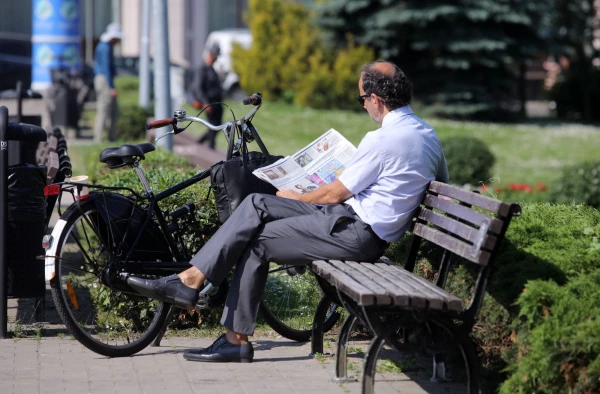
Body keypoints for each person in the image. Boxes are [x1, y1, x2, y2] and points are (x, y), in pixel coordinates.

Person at [128, 60, 449, 363]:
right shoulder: (426, 135)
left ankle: (229, 332)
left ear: (377, 99)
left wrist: (299, 194)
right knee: (255, 204)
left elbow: (336, 192)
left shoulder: (384, 139)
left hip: (355, 233)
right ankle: (192, 280)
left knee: (256, 242)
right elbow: (433, 180)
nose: (363, 105)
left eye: (362, 98)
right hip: (351, 223)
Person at [93, 23, 123, 143]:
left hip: (100, 79)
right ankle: (99, 138)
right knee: (104, 109)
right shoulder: (106, 47)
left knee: (109, 109)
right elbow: (107, 69)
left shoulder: (103, 45)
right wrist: (111, 87)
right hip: (104, 80)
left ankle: (108, 136)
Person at [190, 43, 223, 149]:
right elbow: (198, 88)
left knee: (217, 126)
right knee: (213, 127)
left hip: (217, 103)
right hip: (209, 102)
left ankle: (201, 142)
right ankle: (209, 148)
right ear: (211, 55)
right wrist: (205, 103)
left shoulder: (212, 69)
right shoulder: (202, 69)